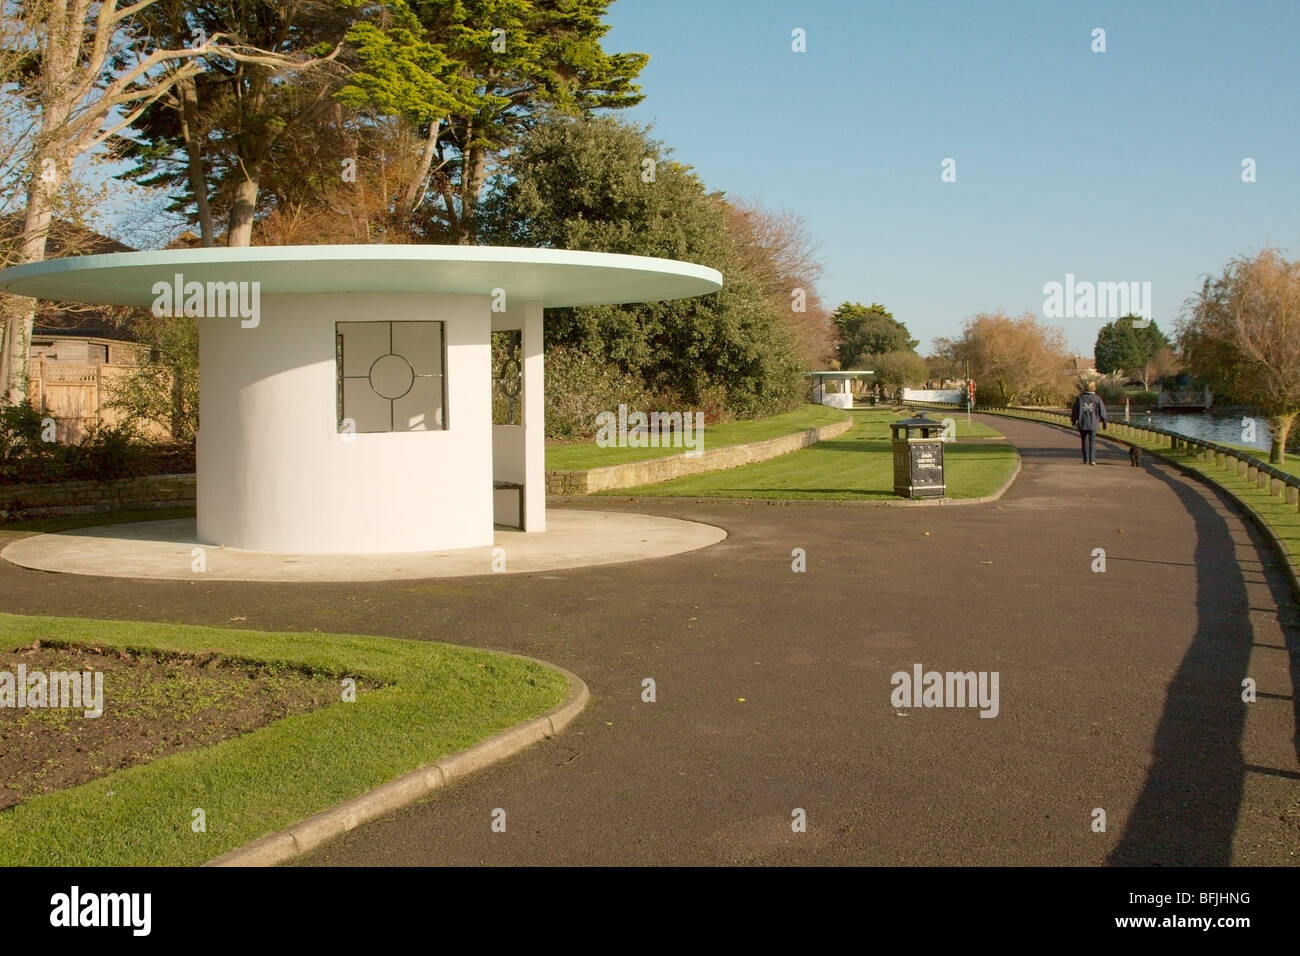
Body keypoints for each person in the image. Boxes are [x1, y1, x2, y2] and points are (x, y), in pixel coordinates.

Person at [1070, 381, 1108, 465]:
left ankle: (1086, 459)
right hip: (1093, 423)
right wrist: (1104, 421)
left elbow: (1075, 411)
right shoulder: (1097, 398)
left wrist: (1073, 421)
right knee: (1092, 441)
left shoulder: (1080, 398)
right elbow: (1102, 411)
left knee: (1084, 441)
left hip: (1082, 422)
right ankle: (1092, 459)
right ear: (1094, 388)